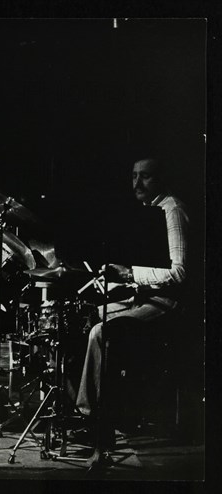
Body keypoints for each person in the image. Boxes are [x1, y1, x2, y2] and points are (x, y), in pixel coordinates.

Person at [75, 158, 189, 465]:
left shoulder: (172, 211)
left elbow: (179, 274)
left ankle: (95, 420)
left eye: (146, 177)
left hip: (168, 304)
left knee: (102, 332)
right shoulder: (147, 210)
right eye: (134, 176)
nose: (137, 184)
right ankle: (89, 410)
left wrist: (129, 275)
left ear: (162, 179)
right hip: (143, 297)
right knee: (85, 315)